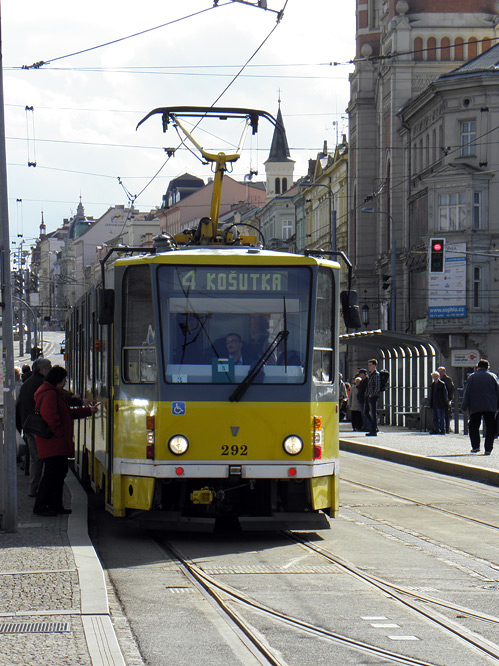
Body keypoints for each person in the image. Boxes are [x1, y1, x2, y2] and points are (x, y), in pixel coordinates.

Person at [32, 366, 98, 517]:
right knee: (51, 475)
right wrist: (61, 434)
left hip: (55, 443)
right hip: (53, 443)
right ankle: (41, 506)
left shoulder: (53, 392)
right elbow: (52, 418)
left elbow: (67, 413)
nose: (65, 382)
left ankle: (56, 505)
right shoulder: (49, 394)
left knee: (58, 473)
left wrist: (89, 411)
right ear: (57, 380)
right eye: (64, 380)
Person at [16, 357, 52, 497]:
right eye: (49, 367)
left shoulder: (28, 383)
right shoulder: (41, 384)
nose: (50, 370)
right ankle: (34, 488)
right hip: (37, 427)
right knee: (37, 458)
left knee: (34, 457)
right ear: (42, 370)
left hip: (28, 425)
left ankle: (34, 486)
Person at [461, 359, 499, 455]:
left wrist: (464, 406)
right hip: (490, 406)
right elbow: (498, 391)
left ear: (478, 367)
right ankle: (488, 449)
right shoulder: (493, 376)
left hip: (475, 406)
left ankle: (476, 446)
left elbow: (467, 392)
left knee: (473, 426)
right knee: (490, 428)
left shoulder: (472, 377)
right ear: (488, 367)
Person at [365, 359, 381, 436]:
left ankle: (373, 430)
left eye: (370, 365)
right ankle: (374, 427)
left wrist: (372, 394)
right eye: (368, 365)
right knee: (366, 412)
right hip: (368, 396)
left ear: (374, 365)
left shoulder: (376, 375)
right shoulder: (371, 374)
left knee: (373, 413)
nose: (369, 367)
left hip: (373, 397)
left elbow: (377, 387)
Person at [438, 366, 455, 433]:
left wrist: (449, 398)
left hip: (445, 399)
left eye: (441, 372)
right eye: (439, 371)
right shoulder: (438, 379)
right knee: (440, 414)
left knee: (446, 414)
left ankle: (446, 428)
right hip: (439, 399)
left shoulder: (447, 379)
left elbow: (451, 389)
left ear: (444, 372)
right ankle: (441, 427)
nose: (439, 373)